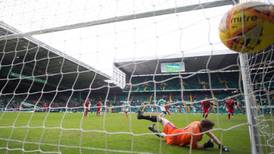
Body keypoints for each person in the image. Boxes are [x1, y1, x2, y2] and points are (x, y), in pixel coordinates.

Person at [137, 110, 230, 152]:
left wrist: (221, 146)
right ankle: (147, 122)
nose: (210, 131)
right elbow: (194, 147)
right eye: (209, 129)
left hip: (177, 131)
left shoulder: (198, 123)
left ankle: (150, 125)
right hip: (175, 138)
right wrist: (206, 145)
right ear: (205, 128)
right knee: (164, 134)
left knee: (162, 122)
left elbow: (211, 135)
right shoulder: (196, 133)